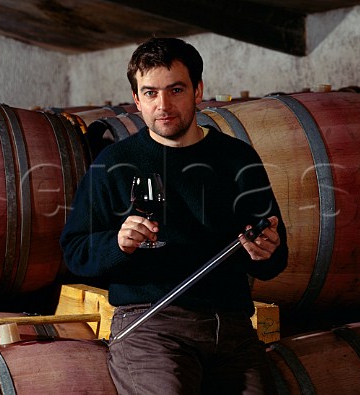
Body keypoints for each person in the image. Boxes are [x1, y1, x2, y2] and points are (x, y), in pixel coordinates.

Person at [60, 37, 288, 394]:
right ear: (136, 100)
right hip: (150, 324)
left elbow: (274, 254)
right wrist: (117, 243)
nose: (162, 105)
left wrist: (267, 251)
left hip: (230, 325)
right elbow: (75, 251)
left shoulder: (236, 158)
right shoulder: (113, 163)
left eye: (175, 90)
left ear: (198, 91)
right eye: (149, 93)